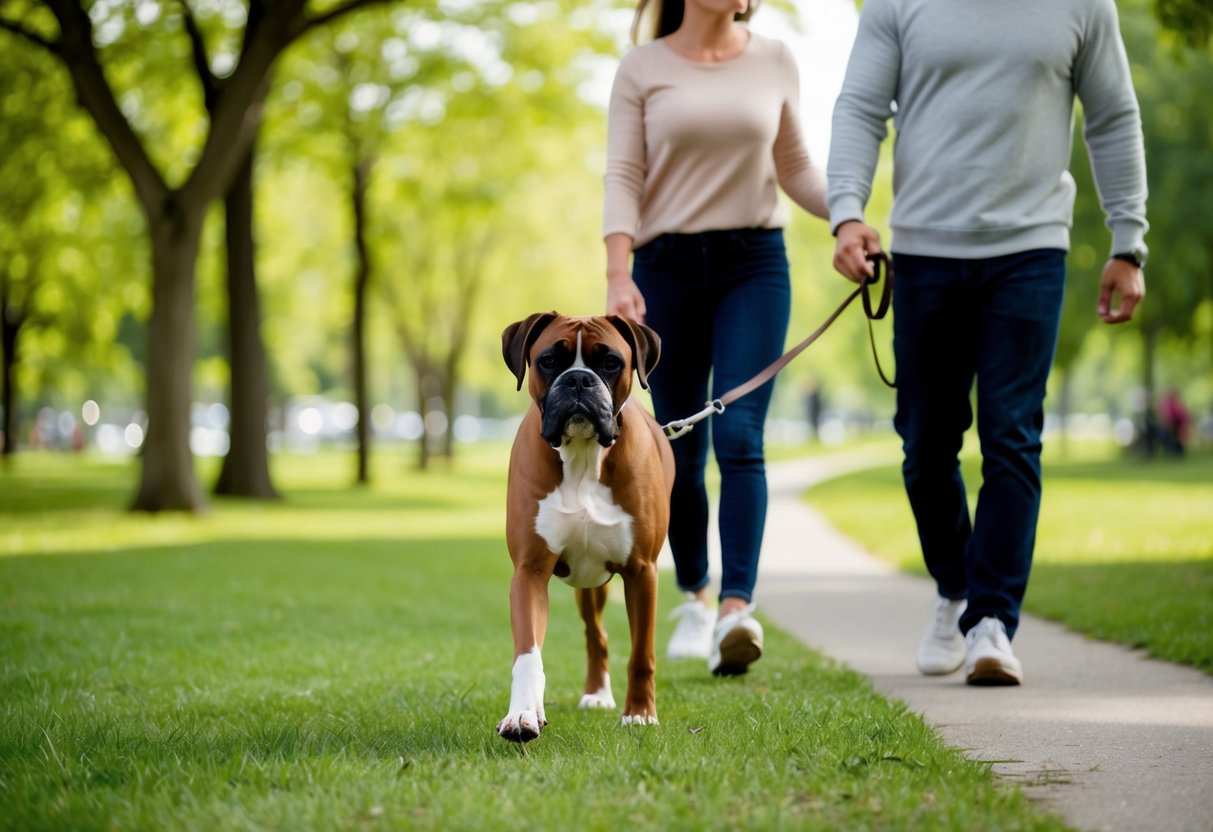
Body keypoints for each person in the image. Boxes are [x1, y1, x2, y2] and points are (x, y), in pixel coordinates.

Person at [828, 0, 1148, 685]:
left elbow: (1113, 115)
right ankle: (955, 588)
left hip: (1029, 249)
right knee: (925, 444)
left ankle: (991, 621)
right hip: (923, 251)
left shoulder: (1083, 5)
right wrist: (846, 211)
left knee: (1011, 435)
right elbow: (859, 107)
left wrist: (1129, 242)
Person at [603, 0, 830, 675]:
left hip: (753, 263)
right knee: (678, 442)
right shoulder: (641, 68)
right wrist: (618, 271)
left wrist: (847, 216)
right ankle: (695, 593)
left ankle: (736, 608)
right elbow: (623, 176)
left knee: (738, 436)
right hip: (663, 269)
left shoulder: (775, 59)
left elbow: (794, 170)